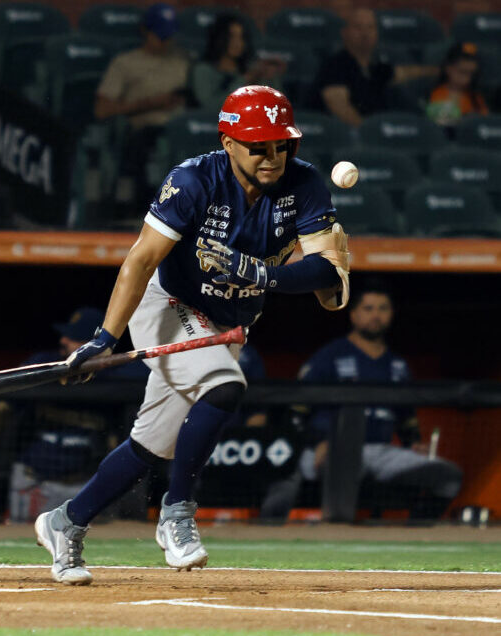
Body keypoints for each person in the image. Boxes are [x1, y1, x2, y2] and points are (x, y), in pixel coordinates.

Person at [34, 85, 350, 585]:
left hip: (229, 319)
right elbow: (140, 260)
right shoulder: (192, 180)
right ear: (228, 142)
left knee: (151, 445)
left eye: (281, 145)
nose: (273, 157)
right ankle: (177, 512)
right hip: (169, 302)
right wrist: (104, 337)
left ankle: (65, 521)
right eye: (258, 146)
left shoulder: (306, 184)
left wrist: (259, 274)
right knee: (225, 385)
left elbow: (327, 274)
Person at [296, 281, 463, 521]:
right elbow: (295, 411)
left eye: (383, 308)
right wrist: (318, 443)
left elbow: (406, 418)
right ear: (353, 314)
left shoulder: (398, 365)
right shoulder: (330, 356)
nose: (376, 315)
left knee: (447, 475)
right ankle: (334, 534)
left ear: (391, 314)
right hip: (334, 449)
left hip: (382, 452)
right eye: (369, 308)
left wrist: (413, 443)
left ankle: (413, 536)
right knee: (340, 467)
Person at [0, 307, 148, 518]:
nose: (63, 340)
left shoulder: (118, 373)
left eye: (74, 337)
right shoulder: (45, 363)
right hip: (35, 480)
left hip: (88, 484)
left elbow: (148, 371)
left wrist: (100, 366)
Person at [94, 3, 191, 209]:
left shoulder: (183, 63)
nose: (165, 41)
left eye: (169, 35)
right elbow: (102, 110)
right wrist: (150, 103)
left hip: (182, 129)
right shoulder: (126, 63)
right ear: (145, 31)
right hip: (144, 130)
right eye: (159, 35)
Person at [316, 8, 436, 127]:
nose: (365, 33)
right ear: (345, 32)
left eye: (370, 27)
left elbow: (404, 72)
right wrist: (369, 132)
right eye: (358, 27)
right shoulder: (335, 66)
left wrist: (439, 70)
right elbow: (339, 106)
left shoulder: (375, 68)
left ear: (377, 33)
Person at [190, 14, 286, 110]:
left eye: (241, 37)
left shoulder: (252, 68)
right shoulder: (203, 70)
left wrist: (271, 78)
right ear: (219, 38)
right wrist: (245, 80)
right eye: (231, 37)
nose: (238, 43)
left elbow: (277, 105)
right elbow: (211, 105)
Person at [426, 43, 489, 133]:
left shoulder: (476, 99)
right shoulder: (432, 93)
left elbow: (484, 123)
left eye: (471, 74)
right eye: (462, 72)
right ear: (449, 69)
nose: (467, 79)